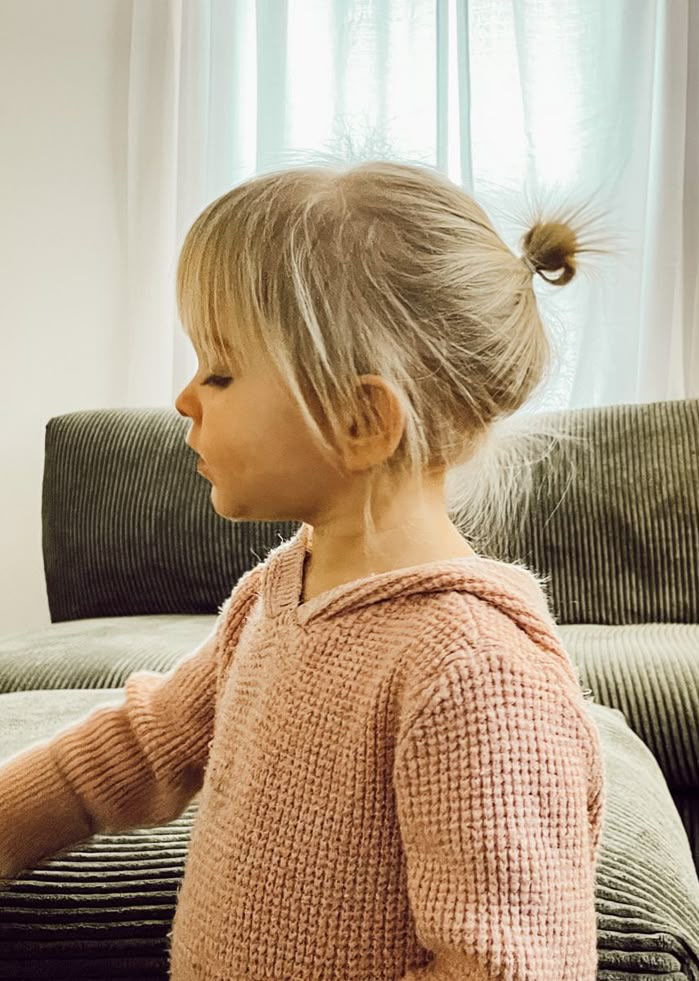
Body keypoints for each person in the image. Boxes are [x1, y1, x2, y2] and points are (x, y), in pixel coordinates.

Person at [0, 160, 607, 980]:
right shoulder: (281, 590)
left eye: (219, 368)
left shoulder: (473, 672)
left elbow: (507, 966)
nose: (186, 397)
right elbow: (142, 747)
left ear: (362, 418)